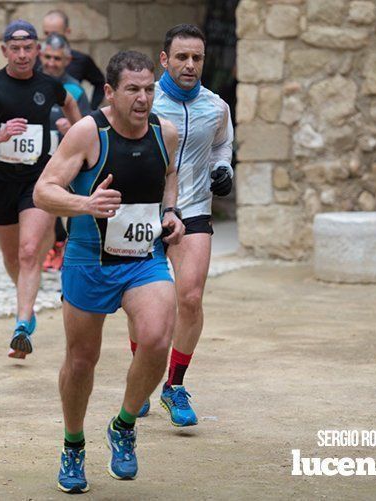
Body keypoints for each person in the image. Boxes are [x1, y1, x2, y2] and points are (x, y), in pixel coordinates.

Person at [34, 50, 184, 494]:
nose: (143, 98)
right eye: (133, 89)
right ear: (110, 92)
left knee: (157, 337)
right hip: (89, 259)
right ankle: (74, 444)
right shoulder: (87, 133)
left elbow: (170, 173)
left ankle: (123, 425)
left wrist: (171, 211)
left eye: (149, 89)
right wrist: (86, 204)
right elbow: (44, 191)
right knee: (82, 360)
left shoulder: (165, 132)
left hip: (144, 257)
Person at [0, 20, 81, 359]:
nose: (23, 54)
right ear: (5, 51)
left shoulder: (49, 84)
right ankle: (24, 301)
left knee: (30, 251)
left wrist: (72, 129)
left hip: (38, 179)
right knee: (13, 257)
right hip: (0, 180)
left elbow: (71, 104)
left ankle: (22, 324)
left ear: (38, 50)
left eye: (29, 48)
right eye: (16, 48)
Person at [133, 24, 234, 426]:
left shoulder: (216, 106)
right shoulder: (145, 101)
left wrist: (223, 168)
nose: (190, 65)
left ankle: (173, 386)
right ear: (164, 59)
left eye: (197, 58)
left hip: (193, 210)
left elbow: (221, 144)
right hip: (142, 213)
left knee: (189, 298)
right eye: (181, 57)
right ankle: (140, 375)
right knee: (144, 306)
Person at [39, 33, 91, 272]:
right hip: (35, 157)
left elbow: (87, 126)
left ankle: (62, 246)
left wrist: (71, 128)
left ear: (67, 60)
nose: (51, 63)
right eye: (47, 57)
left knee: (62, 204)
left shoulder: (75, 90)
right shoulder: (32, 81)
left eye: (57, 59)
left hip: (66, 160)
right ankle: (53, 245)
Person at [42, 9, 106, 109]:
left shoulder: (81, 60)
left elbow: (100, 83)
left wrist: (91, 108)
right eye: (46, 33)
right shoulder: (36, 59)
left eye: (55, 33)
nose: (50, 38)